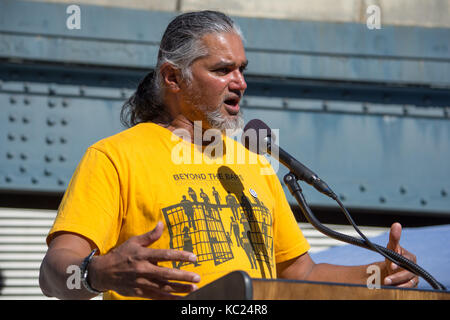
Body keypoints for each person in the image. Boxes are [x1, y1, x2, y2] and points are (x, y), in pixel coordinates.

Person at [39, 10, 418, 300]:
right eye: (223, 70)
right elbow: (53, 273)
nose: (240, 82)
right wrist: (96, 273)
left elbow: (297, 274)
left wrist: (380, 274)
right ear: (173, 78)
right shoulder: (115, 157)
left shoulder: (254, 163)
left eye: (242, 69)